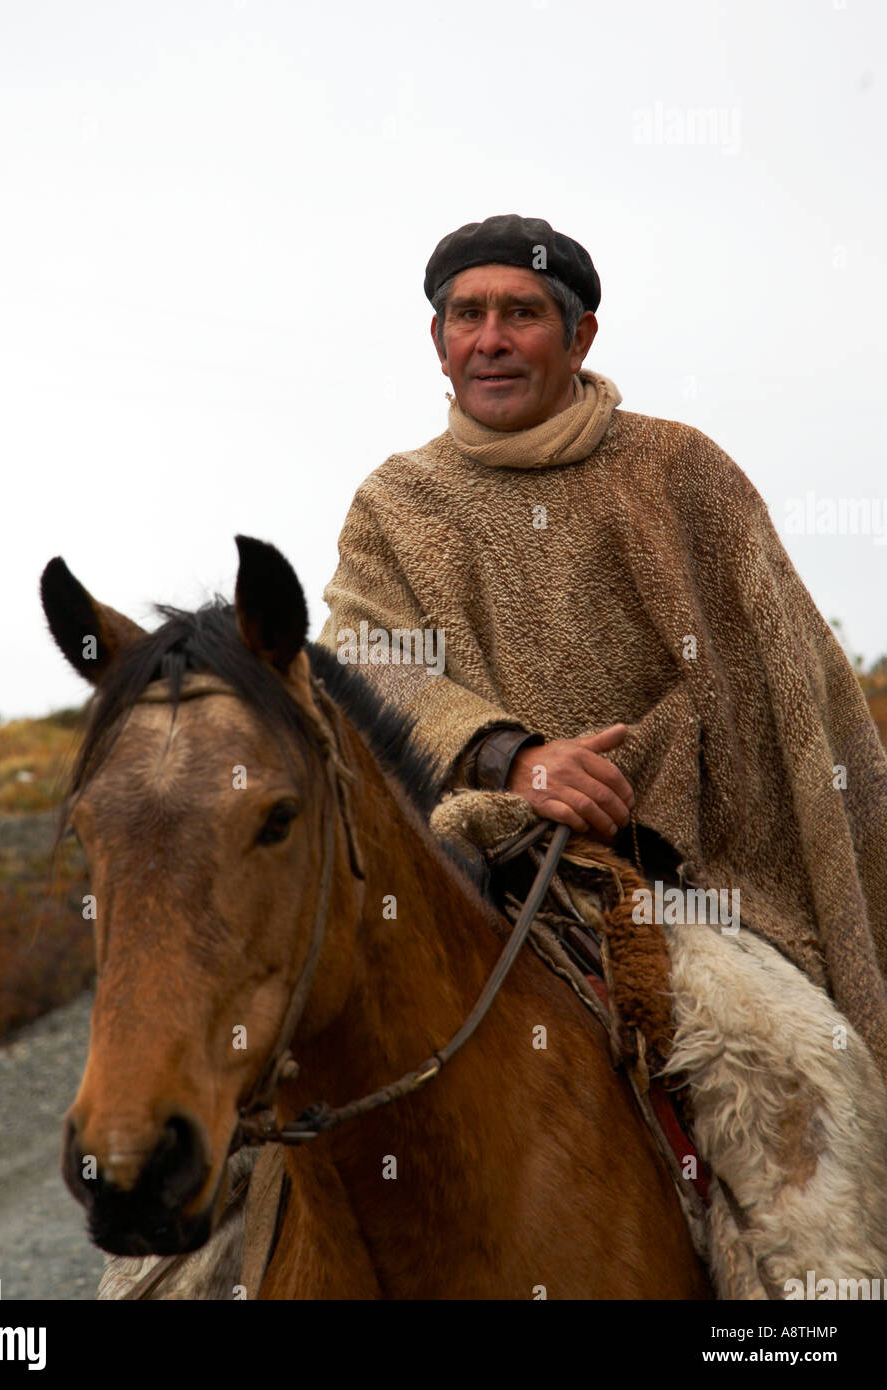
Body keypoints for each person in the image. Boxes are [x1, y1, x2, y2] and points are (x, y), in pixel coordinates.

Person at [316, 214, 887, 1294]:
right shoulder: (394, 503)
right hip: (459, 868)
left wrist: (658, 799)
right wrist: (506, 755)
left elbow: (793, 691)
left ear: (576, 337)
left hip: (676, 884)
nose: (490, 338)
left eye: (520, 314)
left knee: (795, 1084)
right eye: (465, 315)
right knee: (239, 1106)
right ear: (436, 343)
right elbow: (365, 658)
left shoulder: (679, 473)